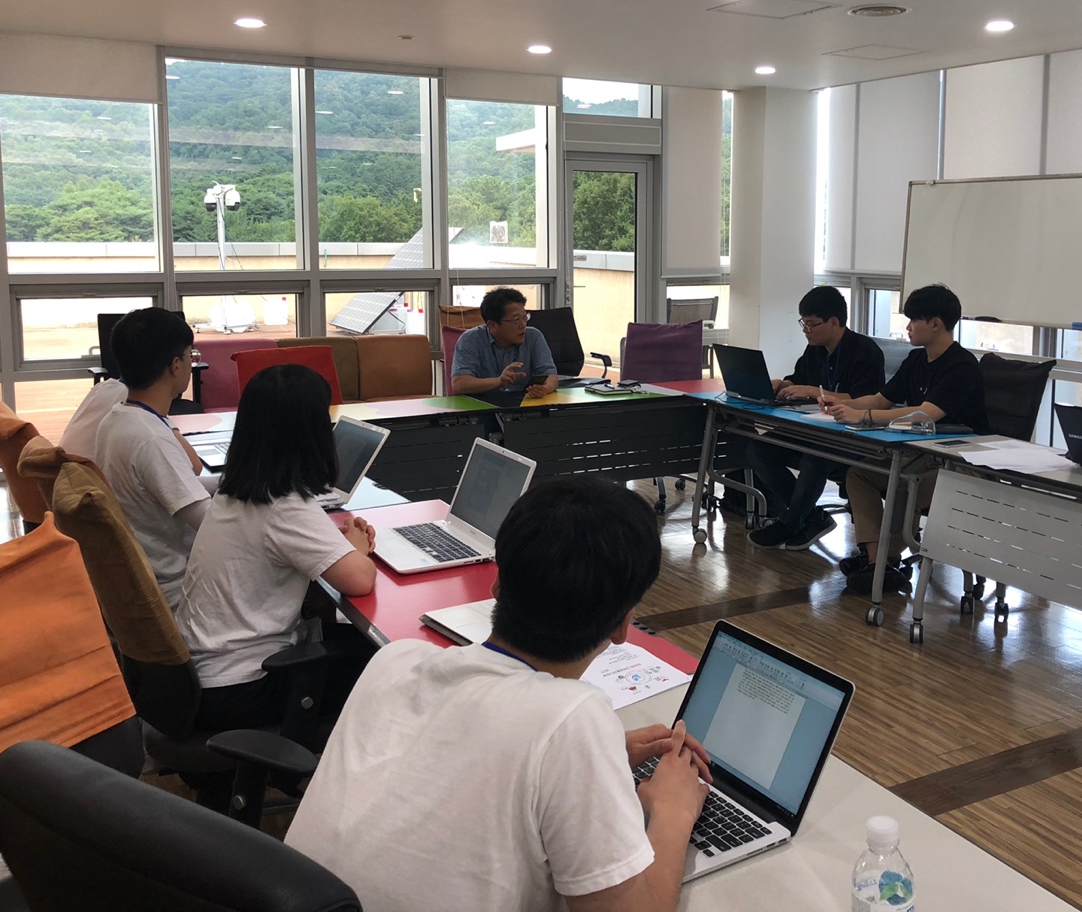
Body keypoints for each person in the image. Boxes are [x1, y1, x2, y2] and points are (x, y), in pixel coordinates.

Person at [286, 476, 711, 912]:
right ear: (624, 625)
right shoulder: (574, 720)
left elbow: (464, 765)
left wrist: (601, 763)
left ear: (497, 583)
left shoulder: (396, 661)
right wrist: (673, 811)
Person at [176, 363, 378, 730]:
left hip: (200, 676)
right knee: (389, 665)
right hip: (243, 687)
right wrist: (356, 545)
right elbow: (359, 580)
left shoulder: (237, 488)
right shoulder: (284, 505)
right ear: (311, 434)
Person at [829, 284, 988, 596]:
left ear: (936, 324)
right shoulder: (916, 359)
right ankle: (877, 562)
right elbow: (881, 399)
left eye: (914, 320)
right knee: (859, 474)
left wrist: (863, 416)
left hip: (959, 463)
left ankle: (882, 563)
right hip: (920, 453)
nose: (908, 327)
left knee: (904, 483)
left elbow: (925, 414)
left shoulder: (962, 366)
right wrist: (844, 405)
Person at [747, 286, 886, 550]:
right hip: (815, 430)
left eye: (811, 324)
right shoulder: (815, 349)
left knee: (814, 457)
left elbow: (865, 399)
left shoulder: (865, 351)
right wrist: (782, 385)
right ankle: (811, 518)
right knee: (759, 448)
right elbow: (798, 379)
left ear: (833, 322)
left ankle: (791, 522)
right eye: (803, 323)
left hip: (854, 439)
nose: (806, 330)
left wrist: (813, 391)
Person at [93, 309, 211, 612]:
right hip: (180, 593)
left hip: (148, 580)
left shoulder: (119, 417)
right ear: (176, 365)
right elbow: (212, 524)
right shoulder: (151, 439)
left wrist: (242, 481)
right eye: (190, 355)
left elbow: (183, 479)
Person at [449, 287, 559, 398]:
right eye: (516, 320)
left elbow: (551, 375)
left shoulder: (533, 336)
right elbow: (459, 384)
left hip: (523, 404)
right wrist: (498, 381)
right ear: (493, 325)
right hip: (483, 405)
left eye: (524, 317)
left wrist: (544, 389)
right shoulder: (470, 340)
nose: (522, 325)